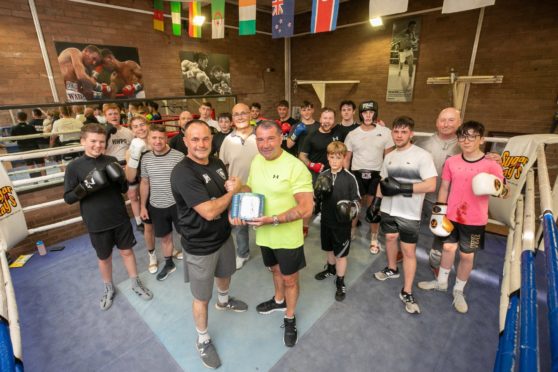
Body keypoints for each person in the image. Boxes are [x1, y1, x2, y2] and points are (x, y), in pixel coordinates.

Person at [170, 120, 247, 369]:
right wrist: (232, 194)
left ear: (211, 140)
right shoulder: (183, 172)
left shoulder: (215, 162)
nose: (201, 144)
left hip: (223, 236)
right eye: (195, 139)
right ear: (185, 141)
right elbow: (209, 210)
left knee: (226, 273)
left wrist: (234, 187)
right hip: (199, 244)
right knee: (201, 296)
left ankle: (223, 301)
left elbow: (229, 193)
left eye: (205, 138)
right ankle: (202, 339)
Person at [231, 120, 313, 347]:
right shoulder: (257, 160)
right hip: (264, 234)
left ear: (281, 139)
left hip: (286, 237)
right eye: (260, 139)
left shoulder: (295, 167)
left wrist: (272, 219)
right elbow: (251, 189)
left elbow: (306, 207)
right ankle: (278, 301)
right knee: (274, 269)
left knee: (290, 278)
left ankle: (290, 316)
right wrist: (239, 190)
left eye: (270, 138)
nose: (265, 144)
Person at [418, 121, 508, 313]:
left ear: (481, 139)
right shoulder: (452, 161)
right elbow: (444, 187)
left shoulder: (491, 164)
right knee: (448, 249)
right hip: (451, 214)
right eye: (463, 136)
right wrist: (439, 212)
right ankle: (441, 282)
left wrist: (495, 185)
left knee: (467, 256)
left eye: (472, 136)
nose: (466, 140)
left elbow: (504, 192)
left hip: (475, 219)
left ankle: (458, 290)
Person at [63, 123, 153, 311]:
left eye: (101, 141)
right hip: (96, 220)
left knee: (127, 251)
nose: (97, 145)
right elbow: (68, 198)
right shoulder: (74, 167)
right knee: (104, 258)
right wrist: (86, 187)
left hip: (119, 216)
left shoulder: (111, 160)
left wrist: (120, 179)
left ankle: (135, 283)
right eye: (93, 141)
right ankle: (108, 287)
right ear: (83, 141)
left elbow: (123, 190)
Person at [372, 116, 437, 315]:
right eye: (396, 132)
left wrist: (402, 187)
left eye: (404, 132)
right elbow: (382, 181)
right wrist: (376, 202)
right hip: (388, 209)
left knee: (408, 251)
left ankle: (407, 290)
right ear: (392, 133)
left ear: (411, 133)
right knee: (390, 238)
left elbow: (431, 184)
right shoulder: (390, 156)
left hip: (409, 212)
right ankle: (392, 269)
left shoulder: (422, 156)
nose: (399, 135)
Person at [413, 107, 462, 275]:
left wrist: (493, 156)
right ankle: (405, 251)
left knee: (441, 233)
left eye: (451, 120)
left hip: (448, 199)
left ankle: (435, 263)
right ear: (436, 122)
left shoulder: (464, 145)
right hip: (421, 195)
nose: (446, 124)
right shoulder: (422, 143)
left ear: (459, 122)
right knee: (412, 225)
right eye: (443, 120)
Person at [343, 100, 393, 250]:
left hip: (376, 174)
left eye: (371, 112)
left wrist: (385, 178)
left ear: (375, 113)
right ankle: (351, 231)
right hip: (357, 173)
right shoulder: (353, 134)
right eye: (365, 112)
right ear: (361, 114)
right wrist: (345, 176)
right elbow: (347, 157)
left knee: (374, 207)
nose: (368, 115)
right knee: (355, 205)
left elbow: (389, 158)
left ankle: (374, 237)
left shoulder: (385, 132)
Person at [314, 141, 360, 301]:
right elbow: (317, 198)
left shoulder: (350, 178)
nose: (334, 161)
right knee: (328, 248)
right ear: (327, 157)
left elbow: (357, 201)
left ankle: (340, 281)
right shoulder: (323, 175)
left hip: (342, 224)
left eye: (338, 157)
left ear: (344, 158)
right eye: (331, 157)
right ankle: (330, 269)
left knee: (341, 254)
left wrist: (350, 209)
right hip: (326, 220)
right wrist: (318, 195)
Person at [140, 124, 185, 281]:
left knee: (185, 233)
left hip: (177, 204)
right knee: (165, 237)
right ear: (148, 139)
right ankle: (169, 263)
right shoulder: (145, 158)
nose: (158, 141)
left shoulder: (178, 156)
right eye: (154, 138)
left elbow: (186, 181)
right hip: (156, 205)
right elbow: (145, 183)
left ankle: (194, 261)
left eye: (161, 137)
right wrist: (142, 207)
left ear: (166, 138)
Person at [219, 104, 259, 269]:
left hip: (260, 189)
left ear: (250, 114)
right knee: (240, 226)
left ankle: (271, 257)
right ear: (232, 119)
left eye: (244, 113)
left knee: (264, 225)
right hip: (239, 191)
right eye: (236, 114)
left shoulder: (260, 136)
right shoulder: (228, 140)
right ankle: (243, 254)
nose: (241, 117)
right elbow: (223, 166)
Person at [299, 107, 349, 237]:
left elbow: (354, 128)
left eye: (330, 118)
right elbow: (302, 155)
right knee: (311, 202)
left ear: (334, 120)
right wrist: (311, 164)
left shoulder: (339, 132)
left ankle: (331, 226)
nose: (327, 121)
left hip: (334, 173)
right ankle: (305, 227)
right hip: (316, 174)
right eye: (325, 118)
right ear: (320, 119)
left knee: (333, 201)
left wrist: (375, 124)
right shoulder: (312, 135)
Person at [125, 115, 156, 267]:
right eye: (136, 126)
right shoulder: (131, 149)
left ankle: (173, 250)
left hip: (161, 187)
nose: (140, 128)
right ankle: (152, 256)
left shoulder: (156, 141)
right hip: (145, 189)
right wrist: (135, 156)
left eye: (142, 124)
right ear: (132, 130)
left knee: (167, 223)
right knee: (148, 227)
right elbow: (130, 177)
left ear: (148, 125)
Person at [10, 112, 43, 177]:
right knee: (40, 164)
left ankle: (35, 182)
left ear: (17, 118)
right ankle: (46, 180)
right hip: (34, 148)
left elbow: (12, 140)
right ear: (26, 118)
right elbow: (36, 137)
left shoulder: (14, 128)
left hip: (24, 149)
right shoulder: (31, 127)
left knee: (30, 166)